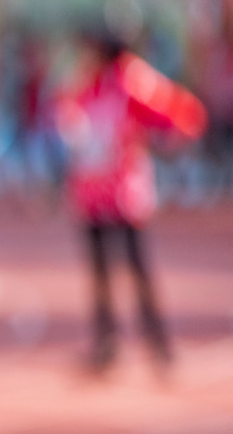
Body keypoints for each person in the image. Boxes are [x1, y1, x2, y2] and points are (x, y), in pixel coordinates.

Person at [56, 24, 206, 373]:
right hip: (92, 194)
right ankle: (106, 345)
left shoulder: (132, 80)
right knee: (101, 274)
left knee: (138, 270)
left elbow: (181, 114)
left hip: (124, 194)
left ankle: (158, 344)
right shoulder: (87, 80)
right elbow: (67, 116)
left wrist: (163, 146)